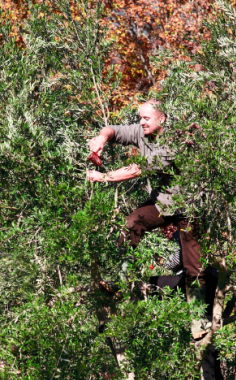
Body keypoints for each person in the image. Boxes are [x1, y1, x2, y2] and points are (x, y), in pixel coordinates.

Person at [86, 99, 203, 282]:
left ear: (162, 119)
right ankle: (121, 281)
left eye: (146, 118)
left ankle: (200, 310)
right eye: (140, 118)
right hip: (163, 202)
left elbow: (138, 169)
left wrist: (103, 176)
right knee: (132, 223)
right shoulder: (142, 131)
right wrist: (102, 139)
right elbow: (113, 130)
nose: (141, 122)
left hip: (189, 206)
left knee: (194, 268)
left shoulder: (174, 141)